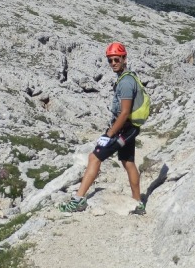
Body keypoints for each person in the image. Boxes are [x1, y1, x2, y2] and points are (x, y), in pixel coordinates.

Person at [59, 41, 148, 215]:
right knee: (128, 162)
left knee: (94, 157)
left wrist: (109, 134)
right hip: (129, 129)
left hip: (124, 129)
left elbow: (124, 113)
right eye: (110, 60)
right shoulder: (128, 77)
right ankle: (138, 203)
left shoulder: (126, 83)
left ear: (124, 59)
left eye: (116, 59)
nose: (113, 63)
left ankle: (78, 200)